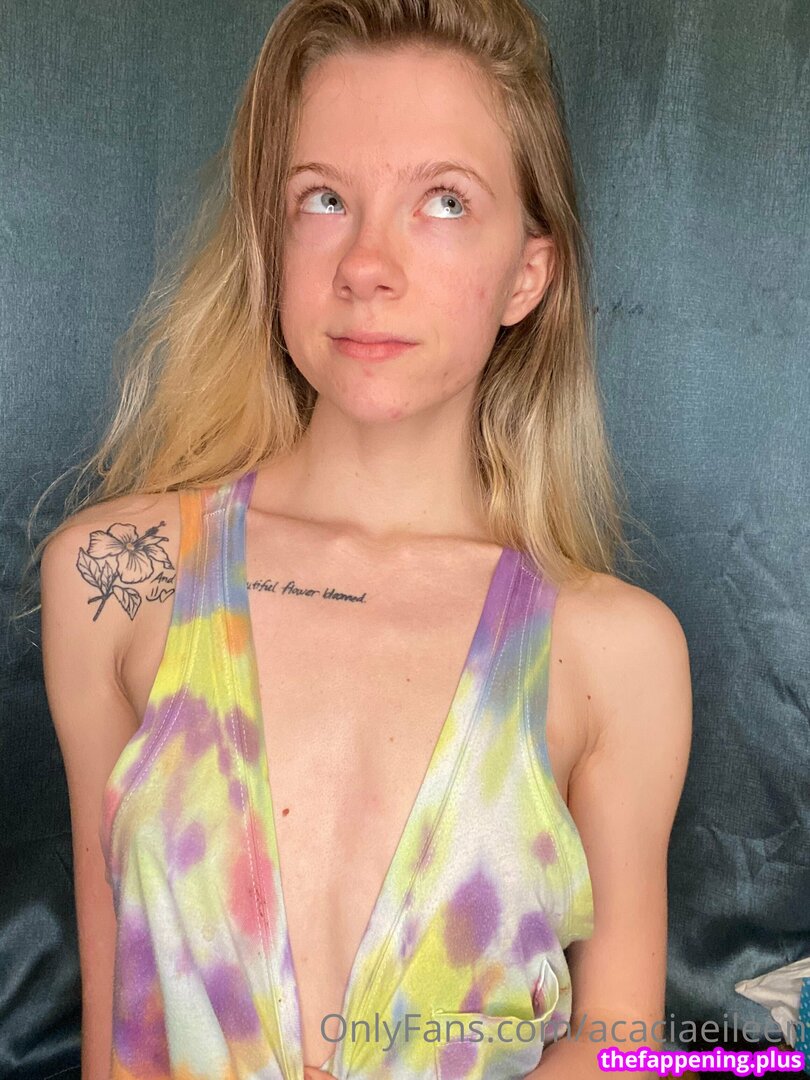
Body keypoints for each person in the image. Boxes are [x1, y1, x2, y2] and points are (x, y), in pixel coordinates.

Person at [34, 0, 692, 1076]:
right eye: (325, 199)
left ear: (529, 274)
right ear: (274, 242)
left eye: (443, 201)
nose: (366, 265)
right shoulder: (114, 581)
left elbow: (620, 1042)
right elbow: (118, 1025)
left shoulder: (618, 652)